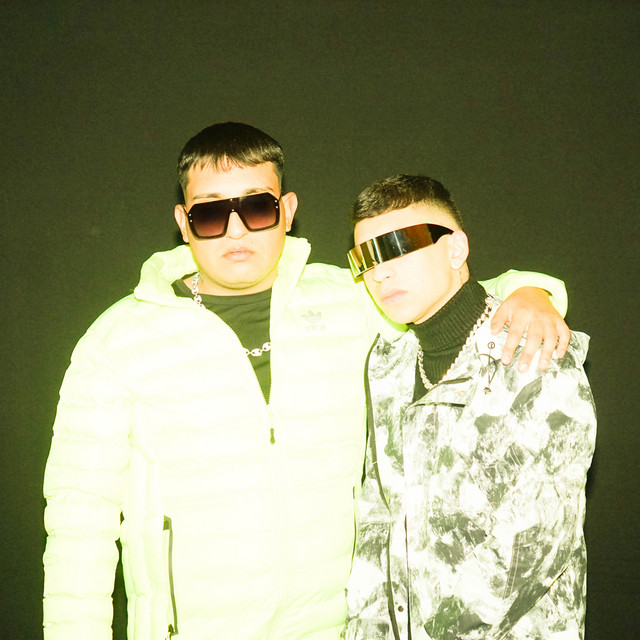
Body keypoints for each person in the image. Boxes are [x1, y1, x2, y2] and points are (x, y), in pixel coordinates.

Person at [43, 123, 571, 640]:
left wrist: (533, 292)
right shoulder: (118, 338)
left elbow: (455, 293)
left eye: (256, 207)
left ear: (287, 210)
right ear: (184, 222)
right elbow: (78, 522)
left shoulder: (353, 299)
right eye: (210, 213)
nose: (235, 230)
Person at [344, 174, 597, 640]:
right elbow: (379, 522)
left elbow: (532, 545)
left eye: (397, 247)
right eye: (366, 259)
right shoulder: (387, 365)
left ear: (455, 250)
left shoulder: (532, 354)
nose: (379, 273)